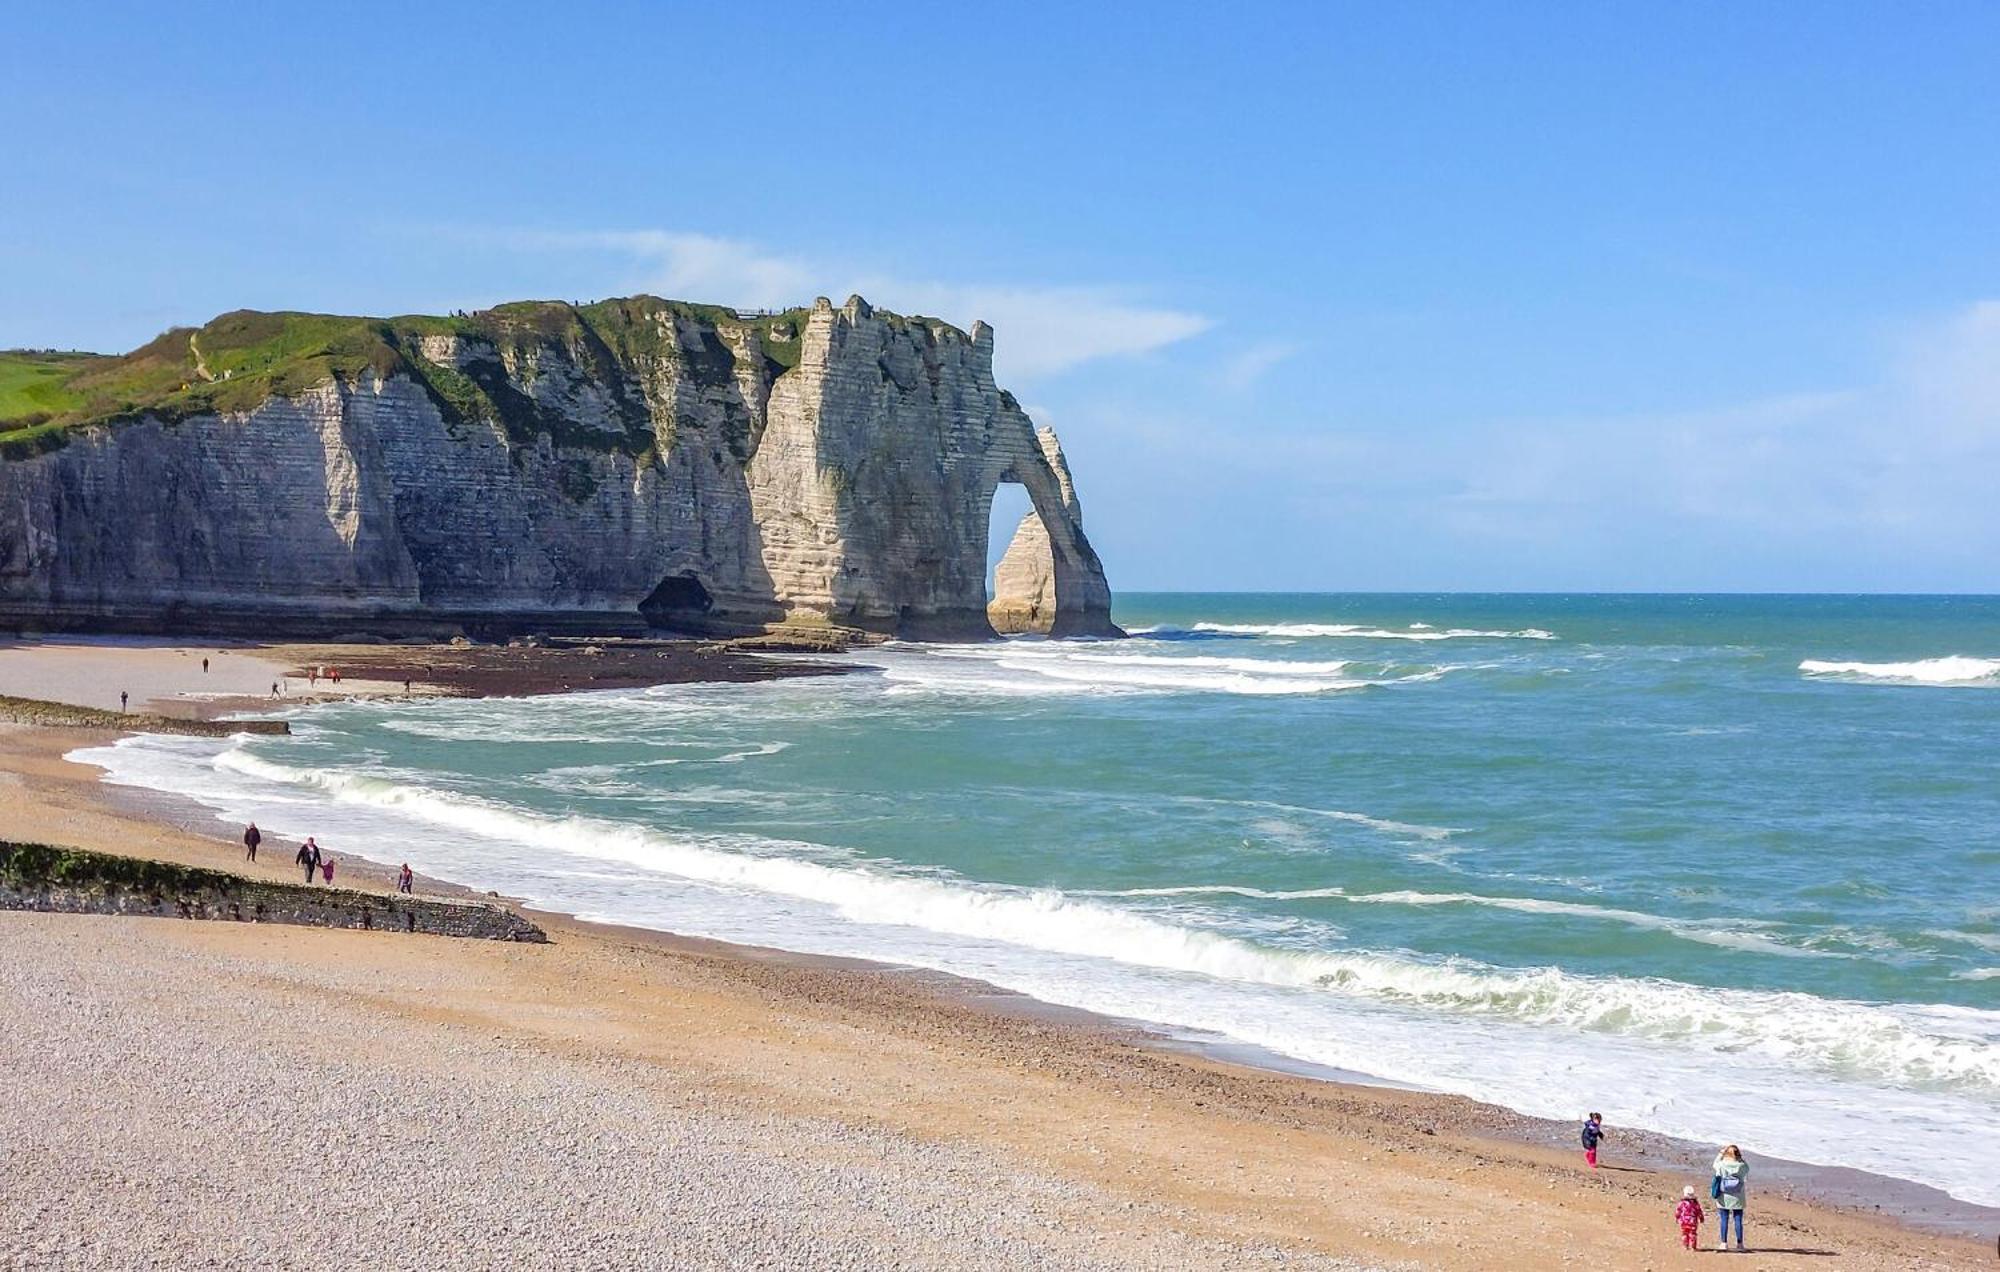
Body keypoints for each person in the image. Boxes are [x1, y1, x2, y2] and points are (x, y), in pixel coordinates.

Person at [1710, 1144, 1748, 1251]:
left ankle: (1724, 1243)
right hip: (1738, 1196)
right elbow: (1747, 1168)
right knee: (1738, 1220)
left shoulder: (1721, 1165)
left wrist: (1720, 1153)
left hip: (1724, 1195)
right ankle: (1740, 1244)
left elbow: (1714, 1165)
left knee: (1724, 1219)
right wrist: (1741, 1158)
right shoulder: (1741, 1166)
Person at [1674, 1185, 1705, 1251]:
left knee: (1685, 1233)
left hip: (1684, 1221)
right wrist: (1701, 1218)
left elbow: (1678, 1211)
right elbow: (1699, 1211)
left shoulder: (1682, 1203)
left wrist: (1677, 1217)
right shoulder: (1695, 1203)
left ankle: (1686, 1246)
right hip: (1693, 1221)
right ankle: (1693, 1247)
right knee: (1693, 1233)